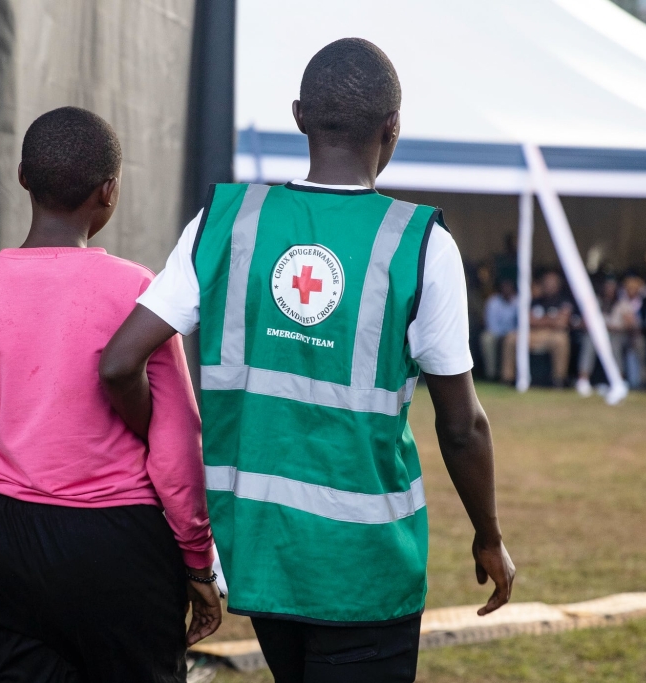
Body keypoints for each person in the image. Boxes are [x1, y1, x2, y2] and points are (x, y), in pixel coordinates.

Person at [100, 39, 514, 683]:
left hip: (262, 555)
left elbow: (119, 361)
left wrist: (166, 436)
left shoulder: (223, 221)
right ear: (393, 127)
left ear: (298, 116)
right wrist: (488, 535)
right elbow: (462, 425)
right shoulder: (422, 243)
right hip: (367, 567)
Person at [0, 107, 220, 682]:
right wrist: (196, 562)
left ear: (21, 178)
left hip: (1, 543)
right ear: (109, 190)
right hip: (119, 551)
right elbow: (176, 444)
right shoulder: (140, 291)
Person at [501, 271, 572, 387]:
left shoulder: (563, 300)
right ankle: (508, 378)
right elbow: (527, 320)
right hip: (532, 334)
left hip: (551, 335)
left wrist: (541, 320)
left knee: (561, 339)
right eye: (547, 282)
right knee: (511, 338)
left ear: (558, 285)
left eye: (552, 283)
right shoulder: (535, 299)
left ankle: (559, 379)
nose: (549, 285)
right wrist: (551, 320)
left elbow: (562, 322)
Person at [481, 279, 518, 381]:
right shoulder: (493, 302)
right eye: (504, 287)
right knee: (487, 339)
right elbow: (491, 324)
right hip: (496, 333)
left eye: (509, 286)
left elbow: (520, 323)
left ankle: (509, 376)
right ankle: (491, 374)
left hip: (513, 333)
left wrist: (509, 334)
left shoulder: (518, 301)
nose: (506, 289)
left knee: (511, 339)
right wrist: (502, 335)